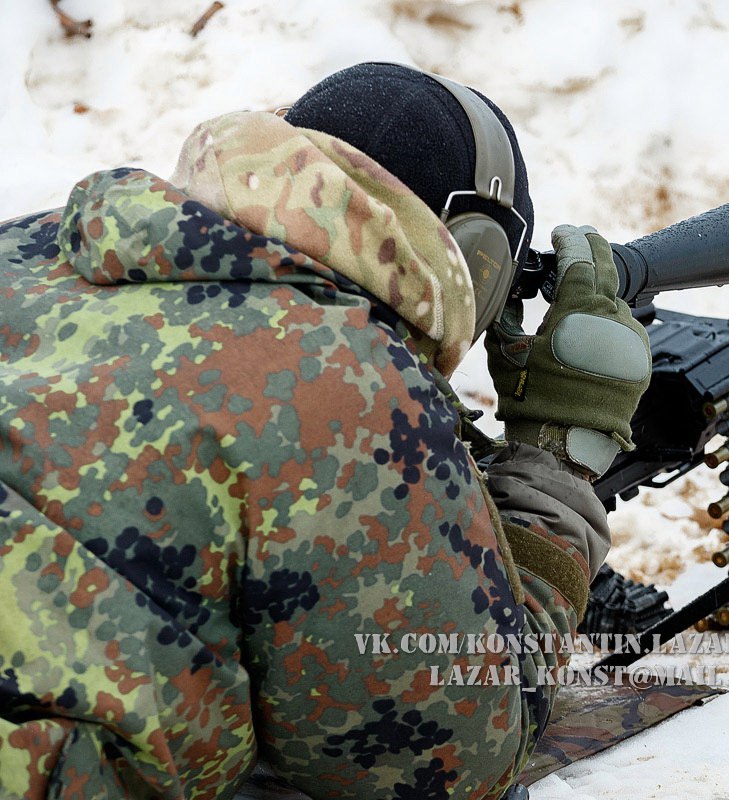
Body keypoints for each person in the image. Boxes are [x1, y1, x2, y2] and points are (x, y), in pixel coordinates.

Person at [0, 62, 651, 799]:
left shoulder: (39, 246)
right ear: (476, 257)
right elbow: (452, 759)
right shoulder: (345, 379)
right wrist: (555, 465)